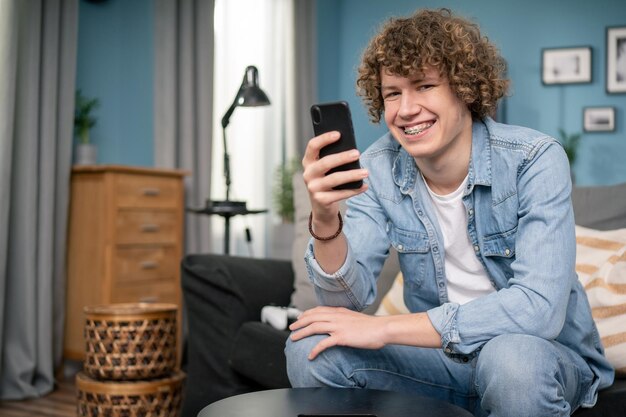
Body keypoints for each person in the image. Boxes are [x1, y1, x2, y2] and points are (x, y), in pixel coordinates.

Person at [285, 8, 614, 417]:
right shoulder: (380, 168)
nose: (406, 109)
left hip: (538, 357)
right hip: (441, 361)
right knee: (310, 348)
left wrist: (385, 327)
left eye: (424, 86)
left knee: (511, 362)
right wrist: (325, 218)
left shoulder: (535, 159)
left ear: (465, 88)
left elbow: (538, 310)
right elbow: (345, 303)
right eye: (392, 93)